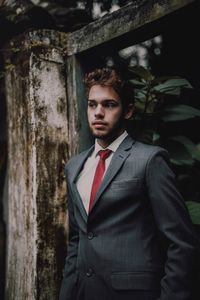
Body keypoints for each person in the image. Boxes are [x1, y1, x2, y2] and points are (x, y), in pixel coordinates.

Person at [59, 67, 199, 300]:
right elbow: (77, 240)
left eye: (109, 105)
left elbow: (181, 243)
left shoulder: (149, 160)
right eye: (92, 104)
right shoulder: (74, 167)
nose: (98, 113)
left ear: (128, 111)